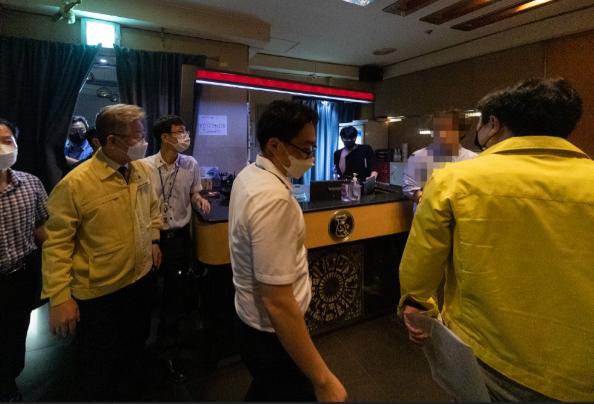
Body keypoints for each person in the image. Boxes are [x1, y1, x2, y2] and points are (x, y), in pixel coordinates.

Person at [398, 78, 594, 401]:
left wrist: (418, 307)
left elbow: (419, 268)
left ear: (493, 124)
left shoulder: (455, 180)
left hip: (490, 356)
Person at [42, 104, 162, 400]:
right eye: (137, 136)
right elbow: (56, 243)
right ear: (111, 141)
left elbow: (153, 208)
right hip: (99, 293)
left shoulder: (141, 170)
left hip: (140, 279)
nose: (144, 141)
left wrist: (154, 239)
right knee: (98, 365)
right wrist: (59, 297)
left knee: (135, 347)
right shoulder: (75, 184)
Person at [229, 100, 347, 402]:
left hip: (250, 322)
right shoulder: (273, 200)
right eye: (305, 149)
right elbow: (278, 302)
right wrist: (323, 379)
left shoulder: (249, 174)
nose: (311, 158)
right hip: (273, 335)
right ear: (275, 145)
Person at [142, 114, 210, 383]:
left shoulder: (190, 164)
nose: (185, 136)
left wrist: (198, 199)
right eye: (179, 132)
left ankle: (168, 353)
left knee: (175, 296)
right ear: (164, 137)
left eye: (185, 131)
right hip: (150, 239)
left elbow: (194, 192)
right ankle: (141, 350)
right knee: (147, 295)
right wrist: (153, 241)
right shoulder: (145, 166)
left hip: (179, 239)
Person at [0, 118, 48, 402]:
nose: (2, 147)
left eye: (7, 140)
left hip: (21, 275)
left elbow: (42, 228)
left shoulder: (31, 183)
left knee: (16, 334)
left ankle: (8, 384)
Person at [402, 110, 477, 207]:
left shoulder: (473, 159)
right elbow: (411, 188)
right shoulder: (419, 157)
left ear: (460, 133)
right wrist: (437, 205)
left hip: (462, 213)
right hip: (428, 213)